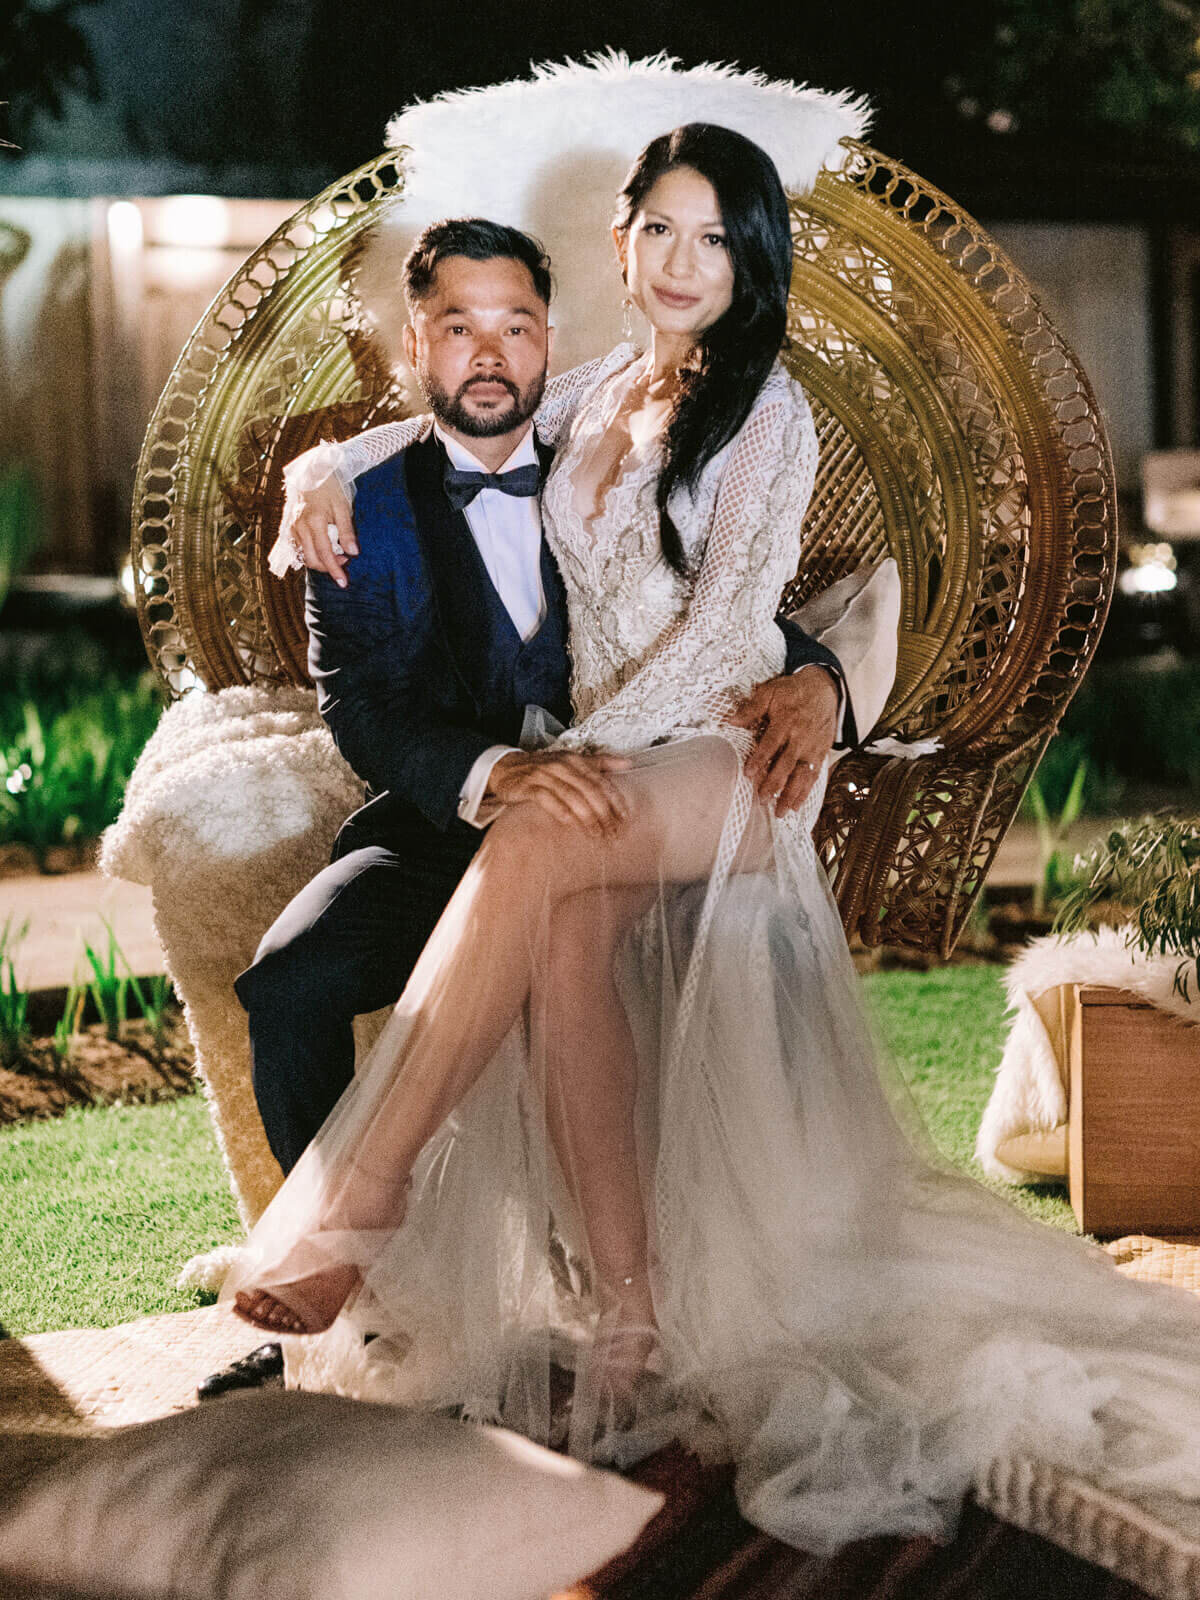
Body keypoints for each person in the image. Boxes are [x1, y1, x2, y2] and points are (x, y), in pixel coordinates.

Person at [223, 124, 1200, 1552]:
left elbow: (719, 631)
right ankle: (628, 1312)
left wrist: (576, 756)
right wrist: (332, 465)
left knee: (541, 843)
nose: (684, 264)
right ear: (623, 244)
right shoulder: (601, 383)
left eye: (715, 238)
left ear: (750, 260)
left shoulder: (770, 410)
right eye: (661, 232)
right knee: (558, 922)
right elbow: (459, 418)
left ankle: (359, 1191)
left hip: (723, 754)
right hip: (619, 764)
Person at [206, 204, 852, 1397]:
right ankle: (350, 1303)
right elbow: (362, 710)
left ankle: (379, 1225)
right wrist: (495, 773)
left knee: (563, 911)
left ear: (553, 338)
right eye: (459, 327)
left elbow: (734, 609)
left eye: (516, 325)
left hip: (625, 801)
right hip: (445, 823)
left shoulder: (613, 444)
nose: (490, 353)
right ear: (416, 342)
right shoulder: (360, 504)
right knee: (289, 977)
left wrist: (823, 680)